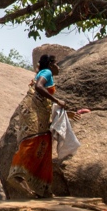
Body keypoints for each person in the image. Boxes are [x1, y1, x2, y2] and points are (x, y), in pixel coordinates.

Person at [8, 55, 87, 196]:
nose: (59, 67)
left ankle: (42, 188)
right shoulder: (47, 72)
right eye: (57, 64)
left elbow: (45, 100)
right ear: (50, 64)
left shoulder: (44, 74)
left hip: (39, 112)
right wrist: (58, 100)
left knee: (44, 142)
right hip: (33, 112)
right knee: (35, 139)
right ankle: (18, 174)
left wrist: (64, 114)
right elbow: (38, 87)